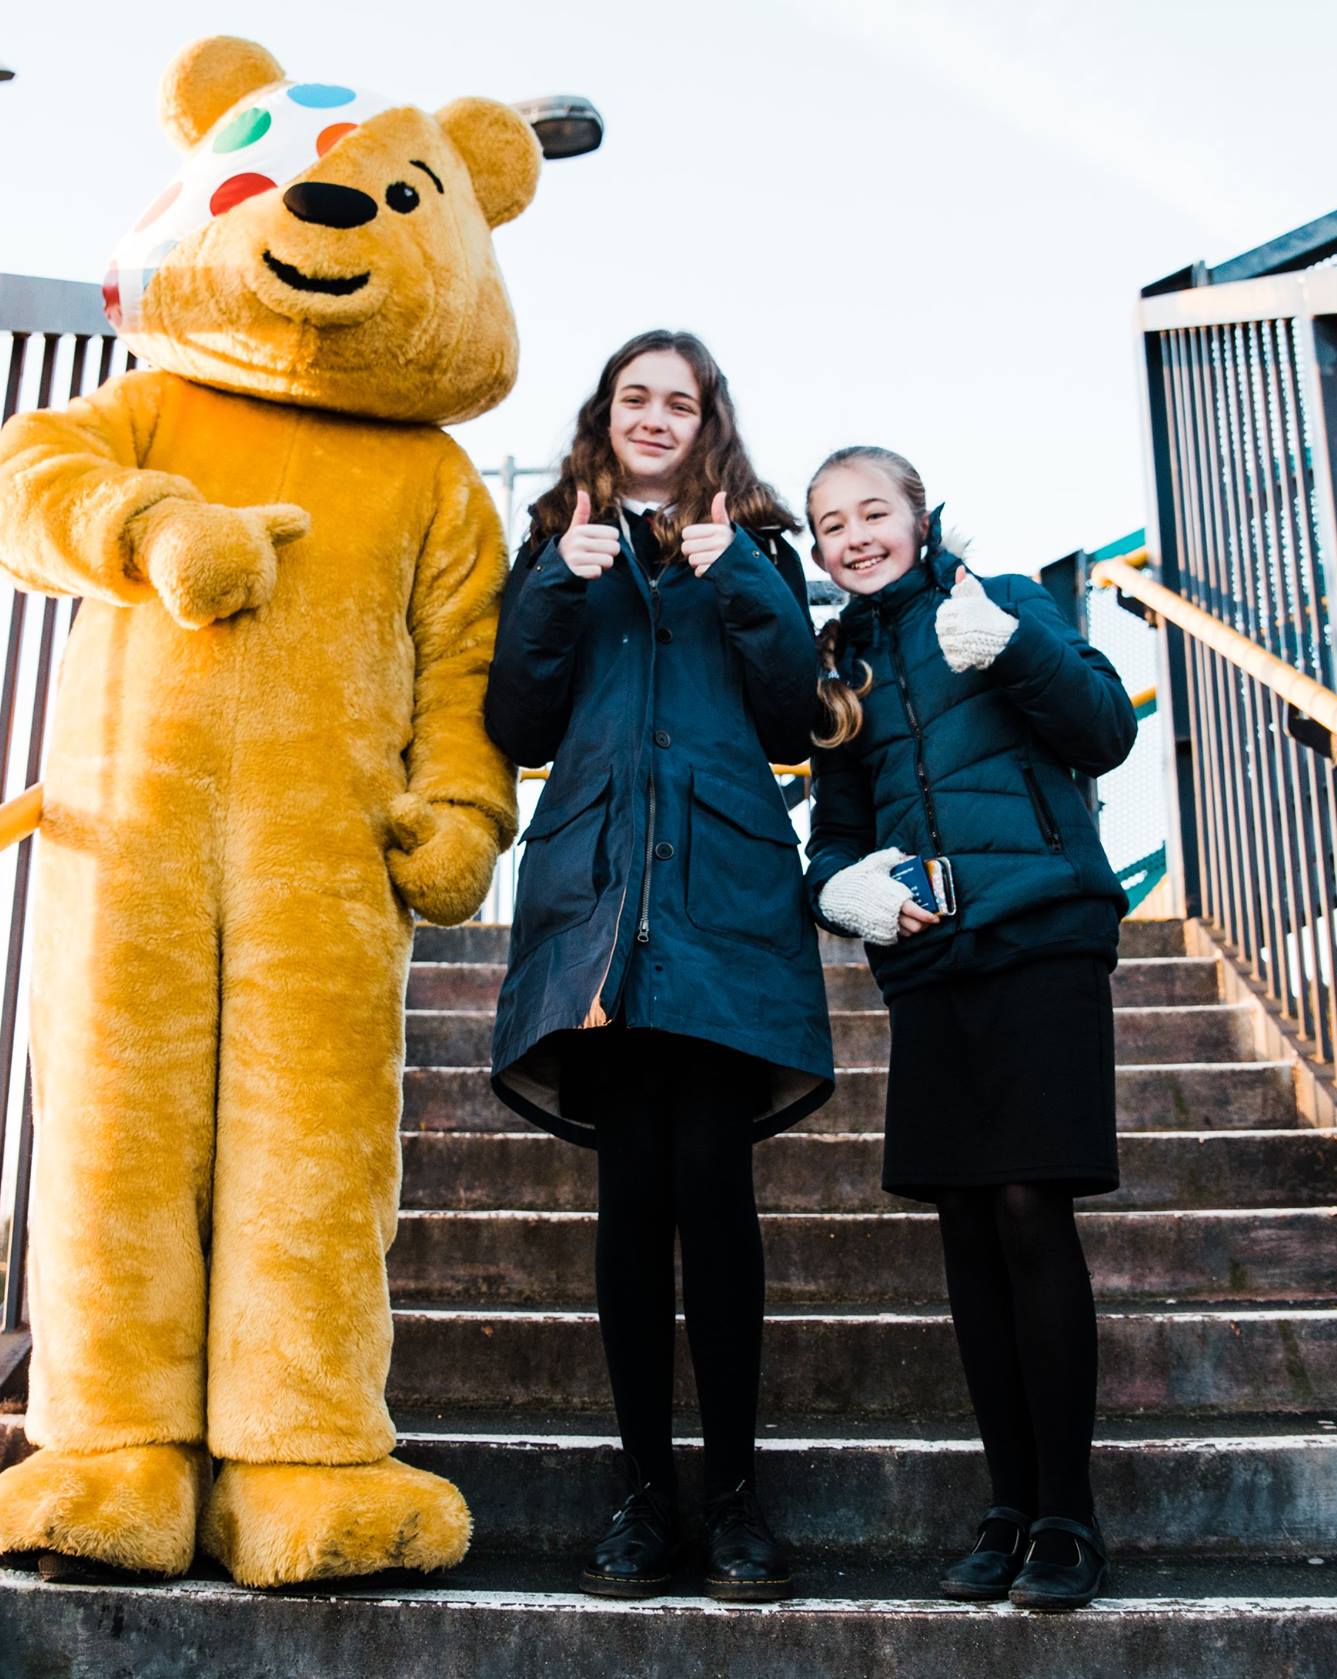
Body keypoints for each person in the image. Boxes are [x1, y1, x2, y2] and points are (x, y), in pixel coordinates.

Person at [484, 330, 833, 1602]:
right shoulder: (551, 542)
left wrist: (735, 570)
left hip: (722, 901)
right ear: (606, 413)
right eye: (634, 396)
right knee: (630, 1199)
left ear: (706, 423)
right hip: (594, 909)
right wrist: (555, 586)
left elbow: (795, 708)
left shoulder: (753, 541)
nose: (653, 415)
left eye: (677, 401)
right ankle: (642, 1494)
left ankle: (735, 1495)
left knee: (713, 1192)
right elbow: (515, 721)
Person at [801, 445, 1136, 1612]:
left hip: (1042, 932)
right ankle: (1004, 1503)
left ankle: (1066, 1513)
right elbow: (833, 836)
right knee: (963, 1232)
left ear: (919, 514)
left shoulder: (1005, 604)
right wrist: (840, 891)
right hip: (929, 959)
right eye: (830, 523)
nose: (854, 536)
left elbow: (1102, 730)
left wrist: (1016, 647)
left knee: (1028, 1209)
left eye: (872, 511)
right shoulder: (834, 671)